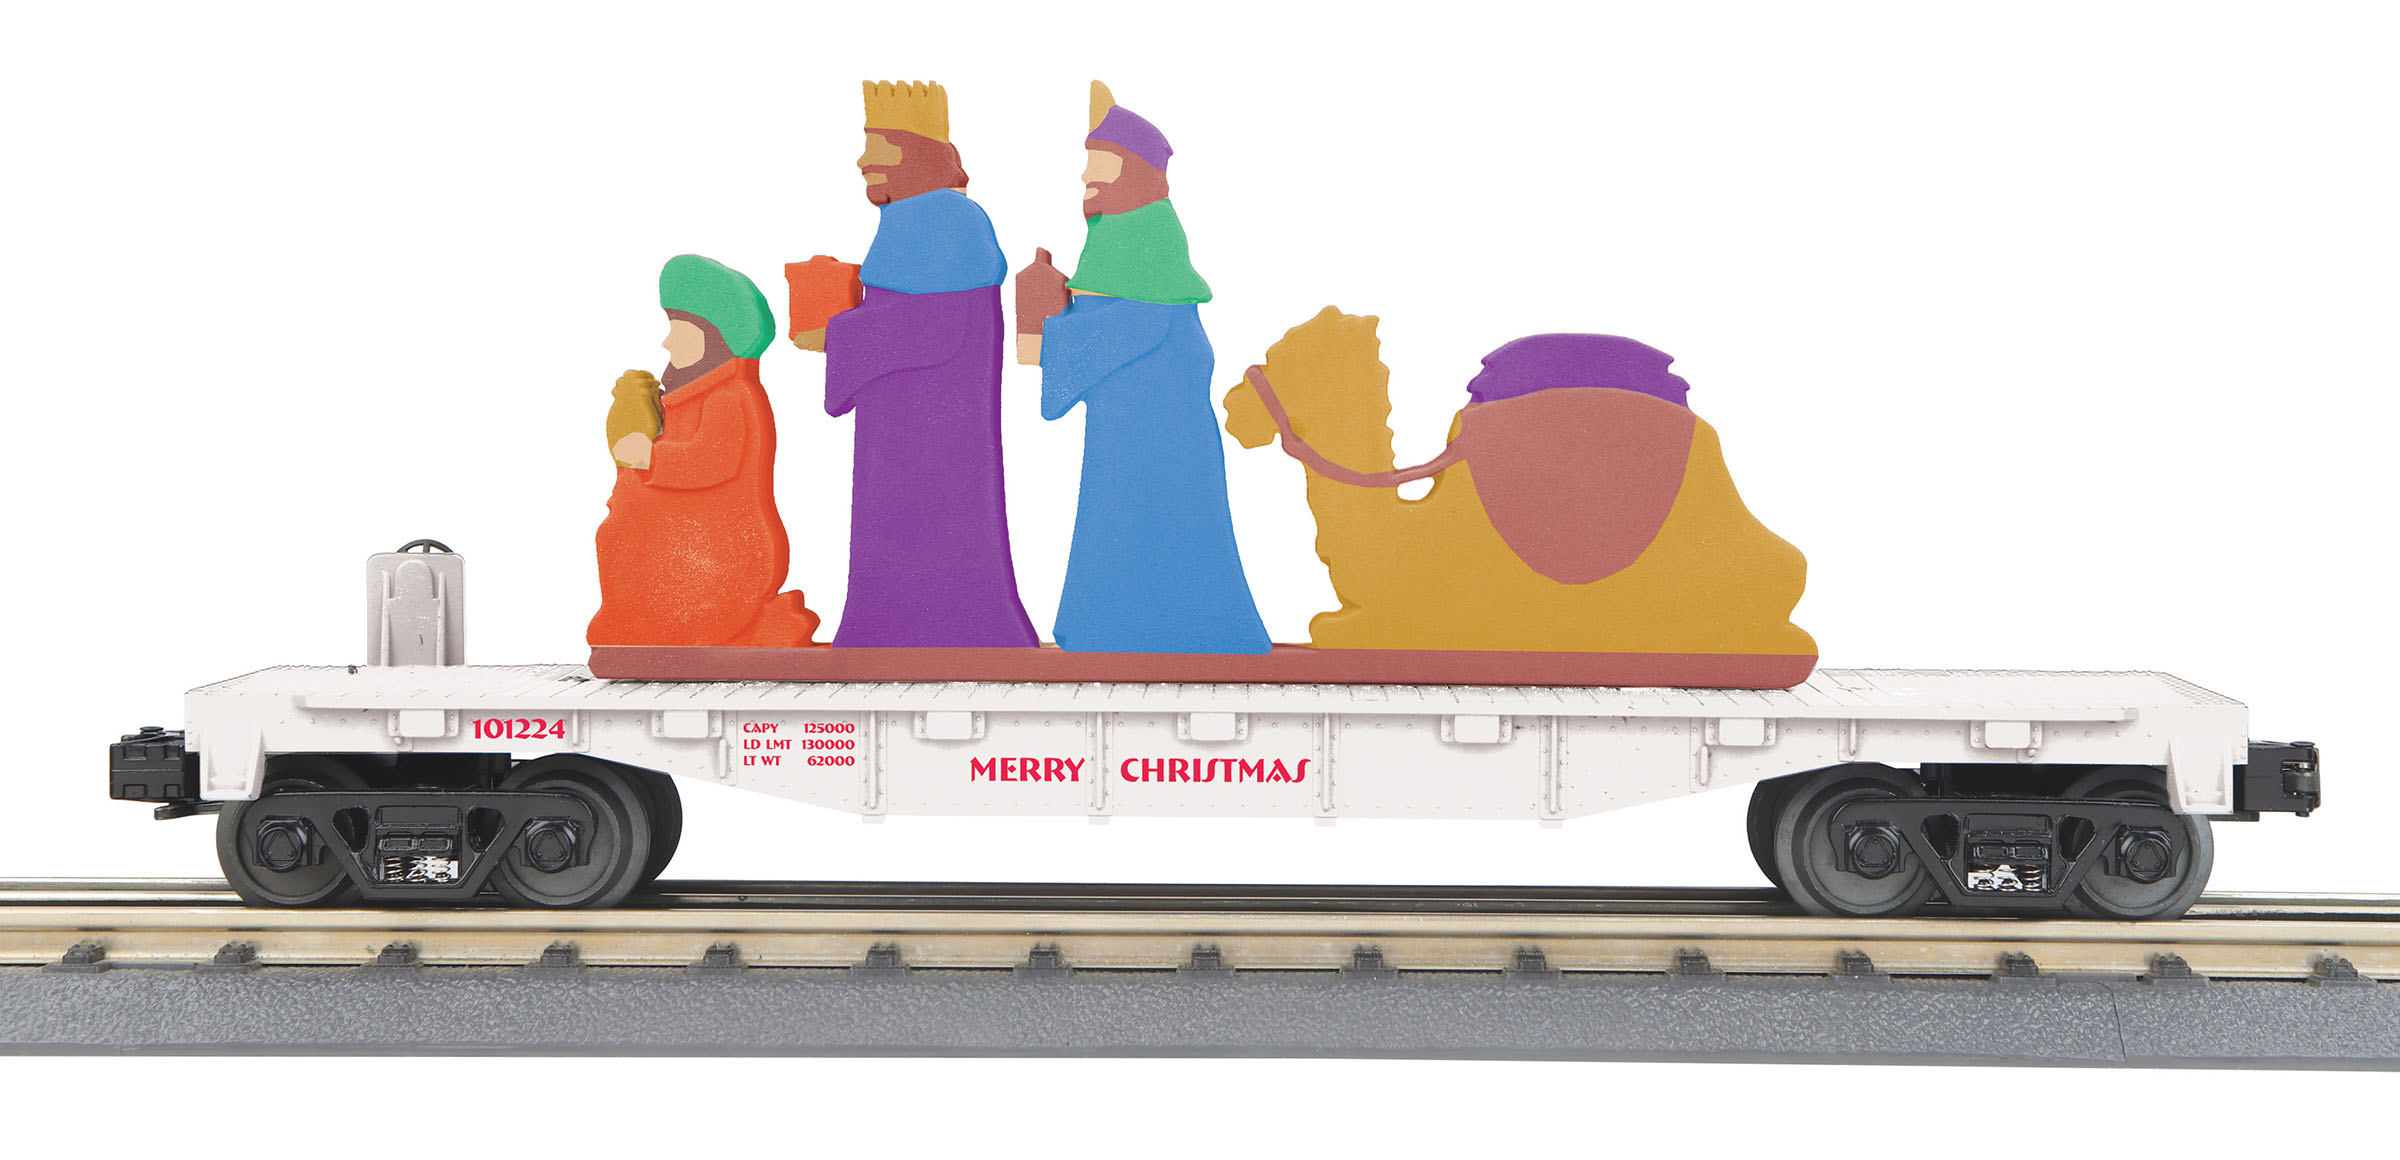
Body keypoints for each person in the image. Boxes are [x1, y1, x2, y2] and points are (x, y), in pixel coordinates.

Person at [1015, 82, 1270, 654]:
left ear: (1134, 169)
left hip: (1155, 417)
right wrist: (1056, 316)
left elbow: (1133, 324)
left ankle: (1181, 626)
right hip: (1129, 417)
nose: (1087, 176)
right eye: (1088, 162)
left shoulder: (1144, 232)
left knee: (1155, 513)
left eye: (1100, 163)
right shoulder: (1116, 235)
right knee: (1119, 515)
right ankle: (1109, 623)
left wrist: (1047, 323)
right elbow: (1108, 318)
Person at [802, 80, 1039, 648]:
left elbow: (936, 327)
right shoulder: (908, 222)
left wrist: (841, 331)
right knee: (893, 518)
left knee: (935, 519)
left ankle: (959, 628)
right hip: (900, 421)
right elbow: (907, 314)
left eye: (877, 147)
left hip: (936, 426)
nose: (863, 161)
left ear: (914, 155)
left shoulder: (950, 221)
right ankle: (885, 627)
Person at [589, 255, 819, 647]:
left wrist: (650, 456)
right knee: (616, 534)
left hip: (718, 546)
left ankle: (686, 624)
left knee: (629, 538)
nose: (666, 342)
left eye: (677, 329)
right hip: (686, 533)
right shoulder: (689, 396)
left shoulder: (730, 396)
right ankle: (637, 621)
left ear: (711, 336)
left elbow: (713, 460)